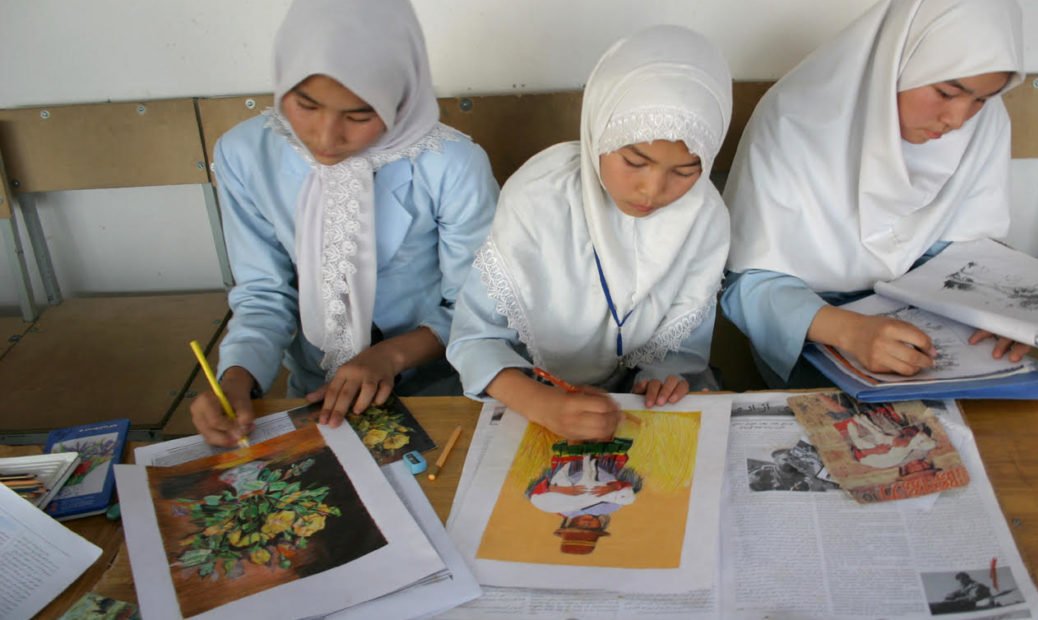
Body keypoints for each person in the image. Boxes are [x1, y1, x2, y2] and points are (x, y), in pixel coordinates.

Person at [192, 0, 498, 446]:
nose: (326, 136)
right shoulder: (245, 155)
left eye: (359, 115)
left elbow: (477, 306)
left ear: (400, 98)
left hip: (437, 391)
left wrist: (389, 356)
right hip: (315, 395)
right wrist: (237, 380)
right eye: (305, 105)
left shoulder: (450, 164)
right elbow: (264, 294)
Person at [722, 0, 1038, 389]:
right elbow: (749, 285)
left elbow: (967, 251)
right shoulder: (796, 121)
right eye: (947, 92)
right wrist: (851, 332)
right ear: (900, 60)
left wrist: (996, 310)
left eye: (981, 99)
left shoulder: (986, 124)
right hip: (814, 326)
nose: (958, 120)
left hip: (933, 323)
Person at [447, 25, 733, 440]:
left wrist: (663, 375)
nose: (652, 191)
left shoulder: (705, 216)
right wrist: (540, 403)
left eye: (686, 172)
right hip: (531, 396)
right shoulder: (539, 196)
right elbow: (474, 339)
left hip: (638, 409)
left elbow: (684, 347)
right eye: (635, 161)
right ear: (599, 130)